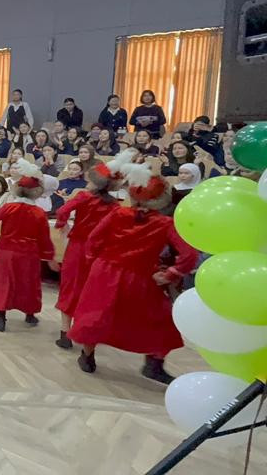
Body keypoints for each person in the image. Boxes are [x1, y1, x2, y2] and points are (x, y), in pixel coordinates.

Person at [69, 164, 198, 383]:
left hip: (105, 271)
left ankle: (87, 356)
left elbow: (93, 240)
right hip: (140, 276)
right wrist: (171, 273)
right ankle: (154, 364)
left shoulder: (117, 213)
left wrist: (94, 263)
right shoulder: (165, 223)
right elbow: (189, 254)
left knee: (96, 315)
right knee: (159, 318)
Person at [52, 149, 132, 349]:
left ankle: (65, 333)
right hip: (99, 251)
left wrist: (63, 225)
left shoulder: (83, 197)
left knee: (70, 286)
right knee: (91, 290)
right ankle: (84, 330)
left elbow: (62, 211)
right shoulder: (115, 205)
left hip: (78, 247)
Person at [0, 159, 55, 332]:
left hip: (6, 251)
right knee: (29, 283)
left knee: (4, 282)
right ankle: (29, 314)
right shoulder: (39, 213)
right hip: (29, 253)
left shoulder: (8, 207)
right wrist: (49, 256)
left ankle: (1, 319)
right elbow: (44, 237)